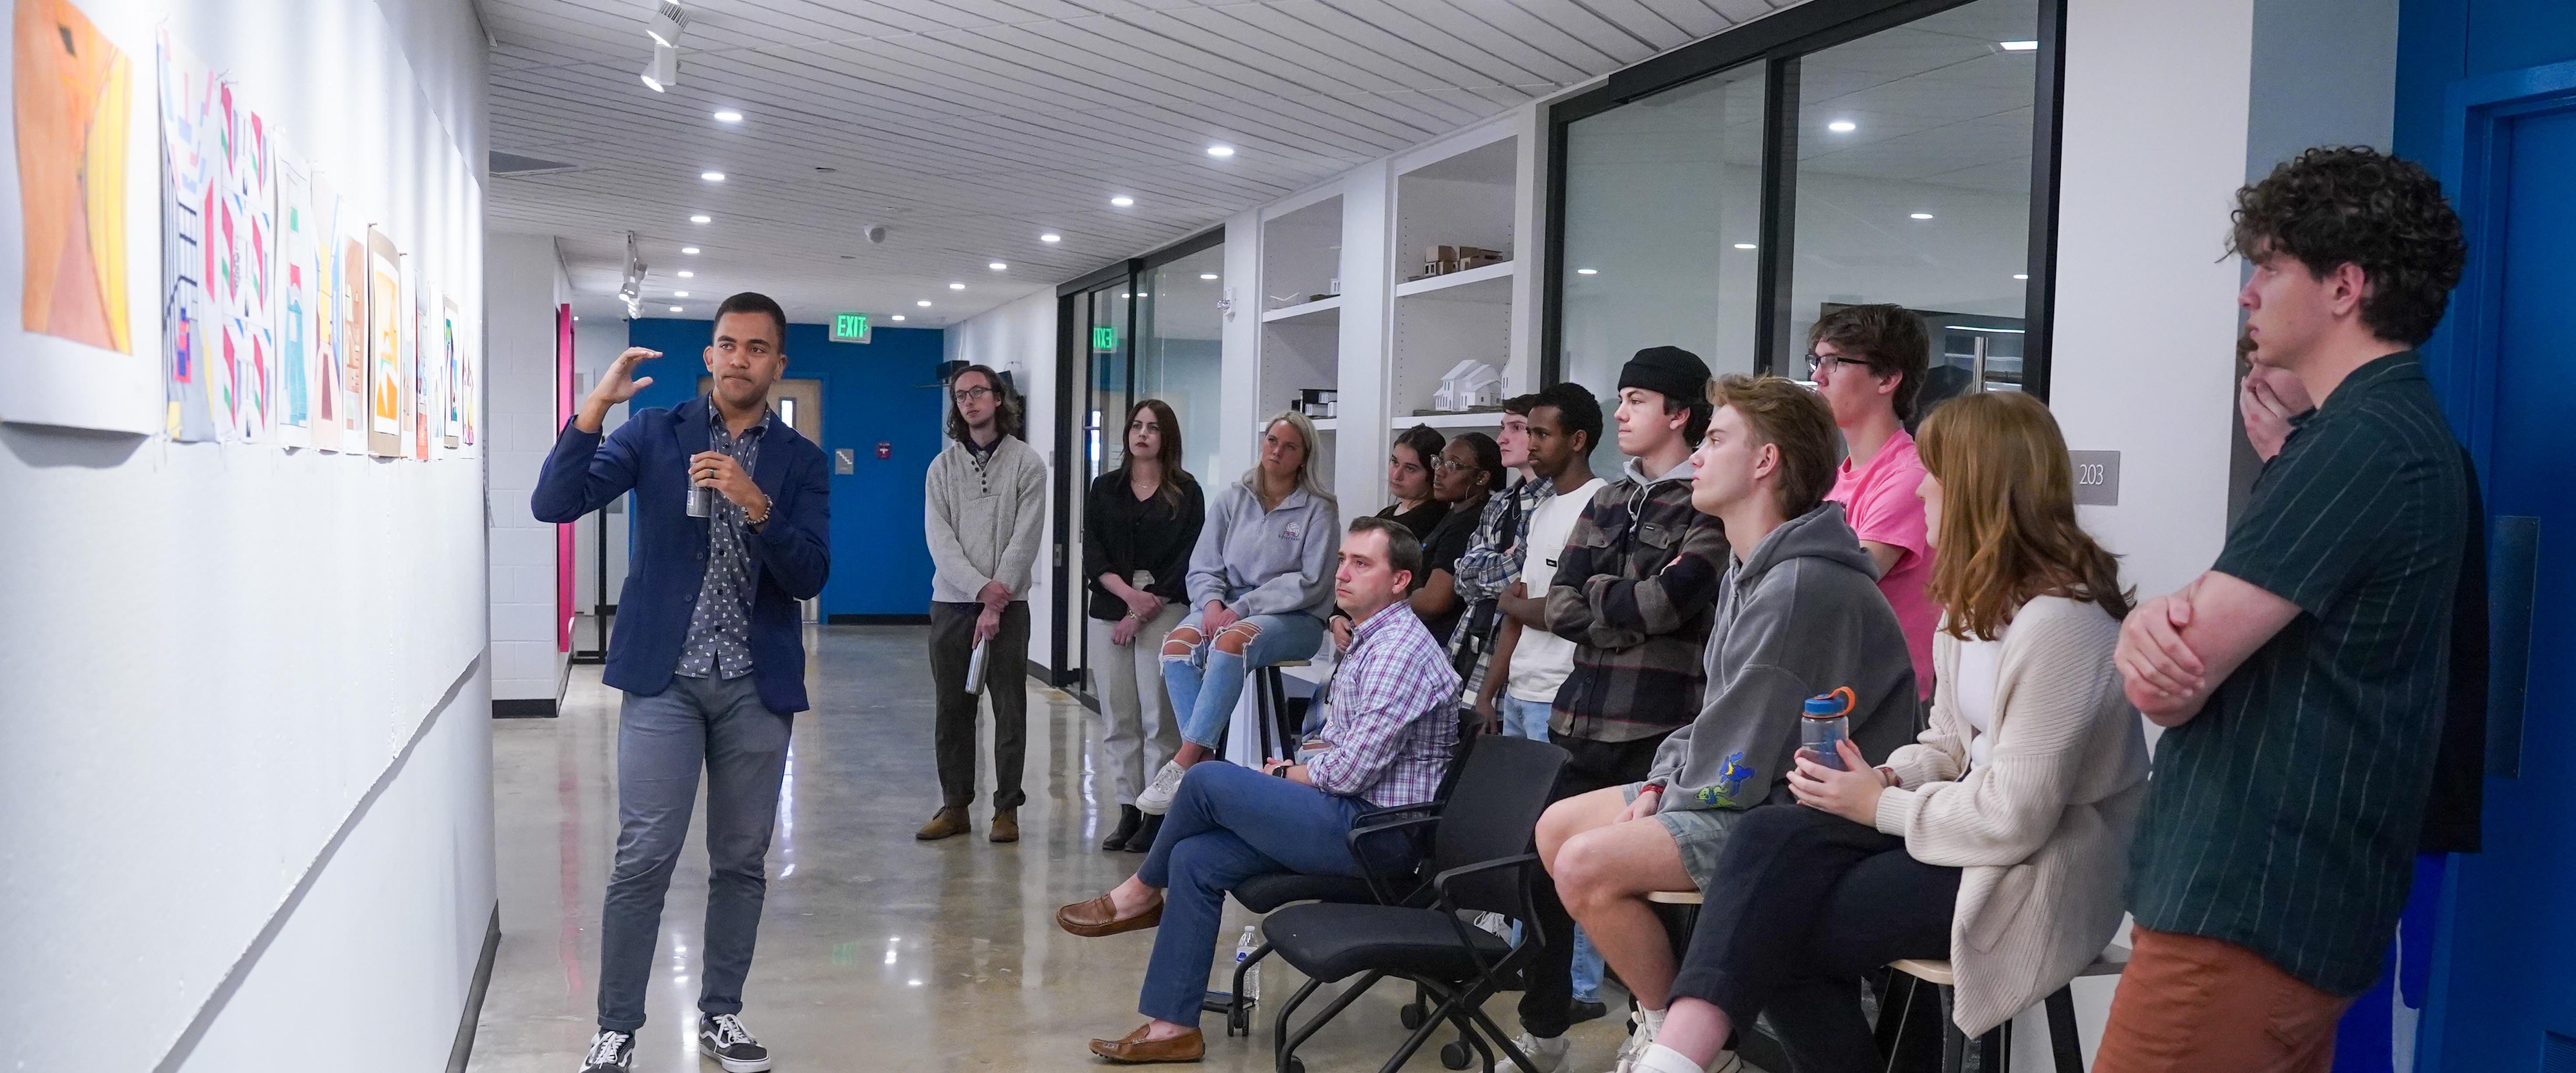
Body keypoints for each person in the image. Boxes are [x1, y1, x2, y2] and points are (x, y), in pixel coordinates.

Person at [1635, 390, 2148, 1073]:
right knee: (1770, 831)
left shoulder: (2061, 622)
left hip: (2036, 868)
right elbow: (1946, 744)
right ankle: (1680, 1054)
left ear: (1976, 486)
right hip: (1965, 836)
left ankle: (1677, 1055)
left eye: (1935, 471)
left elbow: (2016, 817)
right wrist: (1884, 776)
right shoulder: (1972, 606)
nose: (1922, 486)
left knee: (1781, 927)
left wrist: (1878, 806)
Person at [2100, 146, 2469, 1073]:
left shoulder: (2364, 442)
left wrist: (2154, 636)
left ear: (2345, 285)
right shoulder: (2366, 436)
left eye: (2270, 267)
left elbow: (2173, 683)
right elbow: (2190, 645)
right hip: (2288, 902)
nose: (2249, 294)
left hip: (2249, 903)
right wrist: (2159, 631)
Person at [1538, 374, 1917, 1072]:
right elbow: (1717, 715)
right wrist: (1661, 782)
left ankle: (1689, 1041)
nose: (1699, 456)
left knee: (1584, 861)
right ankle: (1672, 1022)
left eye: (1715, 439)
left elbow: (1741, 754)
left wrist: (1667, 793)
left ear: (1766, 462)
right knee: (1557, 825)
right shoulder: (1754, 567)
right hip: (1751, 787)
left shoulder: (1800, 584)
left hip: (1801, 816)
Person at [531, 292, 830, 1073]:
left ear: (777, 363)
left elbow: (810, 575)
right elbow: (554, 502)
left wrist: (756, 504)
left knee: (740, 860)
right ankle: (617, 1027)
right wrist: (595, 404)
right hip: (664, 677)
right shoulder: (655, 433)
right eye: (727, 344)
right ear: (709, 356)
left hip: (754, 686)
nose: (740, 358)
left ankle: (721, 1015)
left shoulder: (798, 461)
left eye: (757, 348)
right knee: (644, 856)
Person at [1056, 518, 1461, 1064]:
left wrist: (1284, 776)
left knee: (1203, 779)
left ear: (1399, 581)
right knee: (1197, 859)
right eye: (1342, 559)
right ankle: (1172, 1027)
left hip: (1376, 835)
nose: (1342, 573)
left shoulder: (1399, 652)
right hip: (1345, 813)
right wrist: (1304, 765)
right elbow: (1327, 742)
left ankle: (1138, 893)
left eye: (1361, 564)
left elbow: (1347, 773)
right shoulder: (1369, 640)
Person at [1504, 347, 1734, 1072]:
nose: (1622, 413)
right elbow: (1560, 602)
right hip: (1582, 715)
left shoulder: (1706, 496)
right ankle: (1543, 1030)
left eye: (1636, 398)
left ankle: (1661, 1033)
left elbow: (1673, 600)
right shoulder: (1606, 497)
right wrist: (1617, 601)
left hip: (1659, 725)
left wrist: (1601, 598)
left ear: (1679, 413)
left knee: (1652, 896)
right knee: (1540, 876)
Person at [1133, 413, 1340, 815]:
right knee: (1176, 644)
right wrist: (1211, 604)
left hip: (1294, 619)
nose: (1276, 451)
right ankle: (1209, 767)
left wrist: (1240, 608)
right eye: (1272, 440)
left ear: (1304, 457)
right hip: (1224, 606)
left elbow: (1311, 582)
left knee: (1233, 640)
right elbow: (1204, 565)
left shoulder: (1319, 509)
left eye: (1289, 446)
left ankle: (1185, 761)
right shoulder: (1233, 499)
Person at [916, 364, 1049, 844]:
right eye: (961, 395)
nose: (969, 401)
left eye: (978, 392)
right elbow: (940, 541)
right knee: (953, 710)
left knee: (1010, 709)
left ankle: (1006, 810)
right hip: (952, 606)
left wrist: (997, 600)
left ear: (998, 399)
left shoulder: (1027, 464)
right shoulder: (942, 468)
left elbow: (1026, 536)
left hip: (1009, 608)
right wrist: (979, 591)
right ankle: (955, 806)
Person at [1085, 399, 1207, 852]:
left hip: (1166, 606)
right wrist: (1128, 600)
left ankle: (1159, 814)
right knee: (1119, 714)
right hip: (1112, 603)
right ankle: (1127, 810)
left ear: (1167, 437)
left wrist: (1142, 612)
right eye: (1136, 426)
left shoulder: (1186, 492)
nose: (1142, 434)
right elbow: (1093, 554)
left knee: (1160, 718)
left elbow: (1190, 559)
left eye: (1153, 428)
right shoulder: (1105, 489)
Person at [1807, 304, 1940, 699]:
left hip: (1890, 702)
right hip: (1838, 688)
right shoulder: (1832, 478)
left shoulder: (1911, 475)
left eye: (1834, 362)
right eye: (1816, 361)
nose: (1818, 376)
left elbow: (1836, 588)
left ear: (1887, 378)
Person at [1450, 394, 1549, 726]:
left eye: (1516, 428)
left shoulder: (1555, 502)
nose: (1502, 439)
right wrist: (1488, 566)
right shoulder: (1501, 502)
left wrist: (1485, 565)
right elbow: (1462, 577)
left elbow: (1520, 575)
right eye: (1502, 428)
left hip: (1522, 656)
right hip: (1474, 640)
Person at [1410, 432, 1506, 643]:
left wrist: (1390, 598)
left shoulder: (1468, 524)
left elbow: (1433, 602)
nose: (1439, 472)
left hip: (1442, 641)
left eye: (1453, 465)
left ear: (1482, 478)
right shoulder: (1455, 512)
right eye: (1440, 461)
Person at [1377, 423, 1451, 540]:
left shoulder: (1431, 520)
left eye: (1410, 469)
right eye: (1395, 462)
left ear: (1433, 473)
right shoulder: (1386, 514)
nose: (1397, 475)